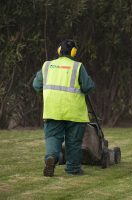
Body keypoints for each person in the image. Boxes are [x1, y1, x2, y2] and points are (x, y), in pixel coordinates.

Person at [33, 39, 95, 176]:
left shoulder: (47, 65)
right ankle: (73, 169)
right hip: (74, 112)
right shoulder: (78, 67)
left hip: (53, 110)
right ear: (74, 52)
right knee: (73, 141)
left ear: (59, 50)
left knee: (53, 137)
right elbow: (88, 87)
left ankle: (52, 157)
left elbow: (36, 85)